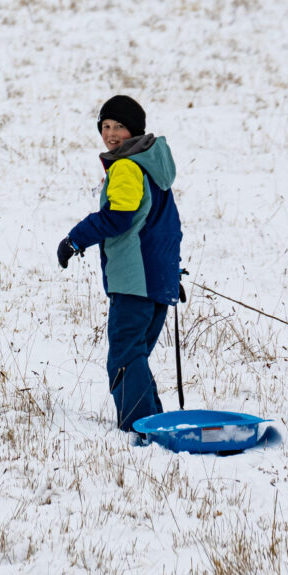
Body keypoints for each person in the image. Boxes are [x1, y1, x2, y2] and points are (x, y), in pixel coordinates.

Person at [57, 95, 182, 434]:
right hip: (154, 281)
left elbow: (119, 218)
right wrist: (168, 273)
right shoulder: (153, 166)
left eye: (119, 126)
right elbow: (165, 226)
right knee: (135, 355)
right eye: (106, 126)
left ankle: (140, 427)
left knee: (125, 356)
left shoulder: (128, 166)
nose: (111, 134)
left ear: (135, 129)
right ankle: (153, 424)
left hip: (134, 280)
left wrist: (75, 239)